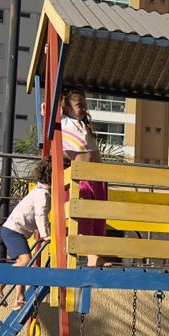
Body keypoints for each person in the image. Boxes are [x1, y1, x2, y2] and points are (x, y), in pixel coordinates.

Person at [0, 158, 51, 306]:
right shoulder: (42, 194)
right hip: (13, 230)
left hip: (15, 231)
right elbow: (40, 215)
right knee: (25, 261)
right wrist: (46, 235)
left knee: (22, 263)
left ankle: (19, 297)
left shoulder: (40, 191)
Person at [59, 88, 105, 267]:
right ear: (66, 107)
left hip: (96, 178)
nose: (84, 108)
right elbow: (48, 111)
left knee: (98, 217)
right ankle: (91, 254)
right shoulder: (64, 121)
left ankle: (96, 253)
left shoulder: (83, 126)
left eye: (85, 105)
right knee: (85, 215)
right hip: (80, 178)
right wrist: (50, 106)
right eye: (80, 105)